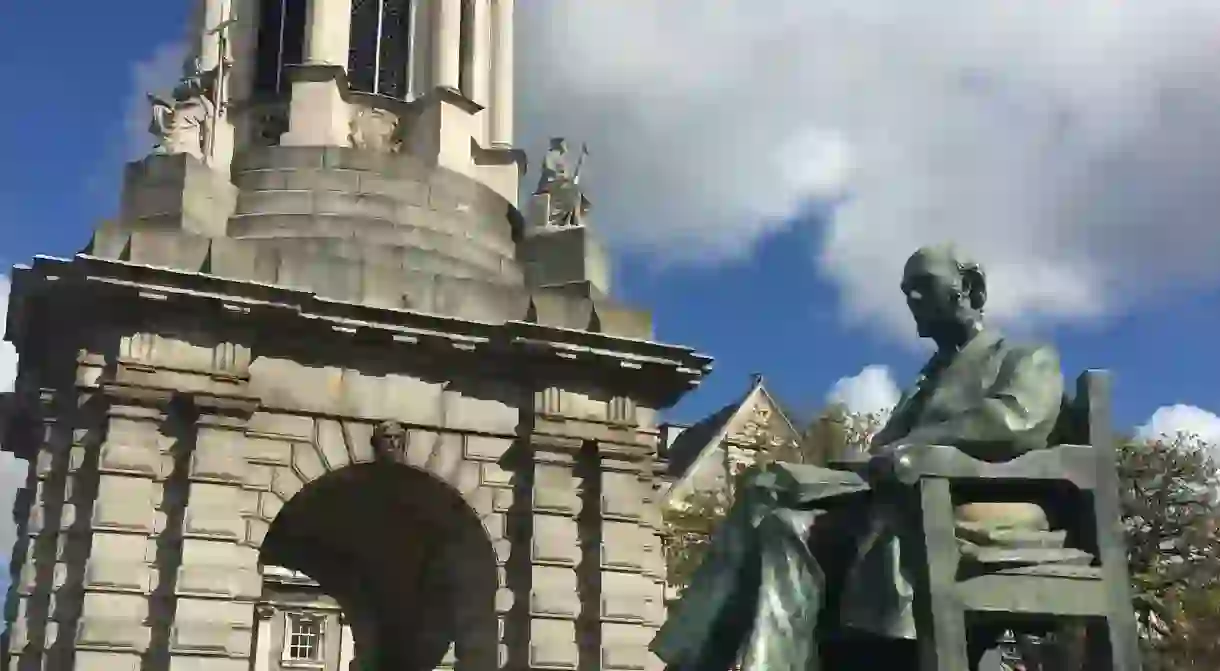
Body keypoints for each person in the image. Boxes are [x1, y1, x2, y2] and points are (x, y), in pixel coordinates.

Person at [651, 244, 1065, 671]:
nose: (912, 300)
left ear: (970, 287)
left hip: (967, 501)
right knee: (774, 508)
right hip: (897, 491)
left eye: (923, 286)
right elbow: (883, 447)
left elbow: (1015, 421)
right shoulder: (928, 378)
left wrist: (914, 445)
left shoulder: (1023, 356)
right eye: (907, 291)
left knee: (783, 509)